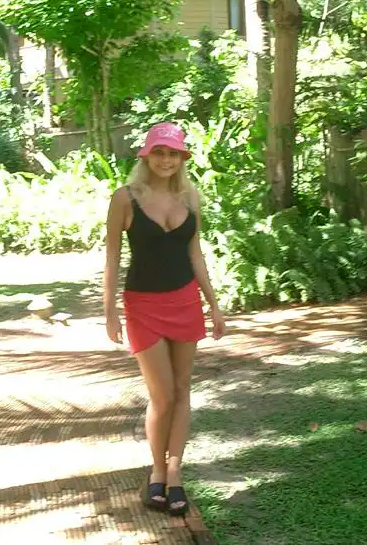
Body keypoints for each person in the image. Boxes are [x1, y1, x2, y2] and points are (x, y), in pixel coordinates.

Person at [103, 122, 226, 517]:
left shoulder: (191, 198)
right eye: (159, 152)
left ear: (182, 158)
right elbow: (111, 257)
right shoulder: (125, 198)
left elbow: (195, 254)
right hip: (143, 306)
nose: (166, 160)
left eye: (173, 153)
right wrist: (109, 310)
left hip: (185, 301)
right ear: (147, 155)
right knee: (163, 395)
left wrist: (213, 304)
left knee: (183, 389)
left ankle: (175, 472)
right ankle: (157, 468)